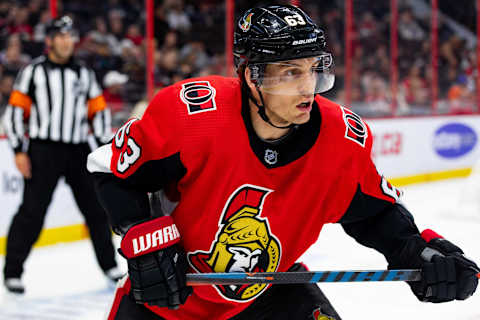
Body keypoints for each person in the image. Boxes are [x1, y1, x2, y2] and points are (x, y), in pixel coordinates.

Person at [87, 5, 479, 320]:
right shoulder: (190, 116)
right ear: (251, 76)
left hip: (269, 291)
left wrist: (419, 252)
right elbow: (111, 171)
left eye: (312, 69)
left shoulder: (340, 138)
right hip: (170, 302)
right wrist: (144, 235)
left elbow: (373, 213)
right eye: (290, 72)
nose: (307, 86)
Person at [2, 15, 122, 294]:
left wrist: (103, 147)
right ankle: (13, 271)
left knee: (95, 209)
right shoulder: (33, 72)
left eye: (70, 36)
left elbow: (99, 112)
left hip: (78, 149)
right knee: (32, 211)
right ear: (50, 41)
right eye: (61, 36)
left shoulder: (83, 73)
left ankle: (109, 265)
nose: (67, 41)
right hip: (44, 148)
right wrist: (19, 150)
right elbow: (15, 112)